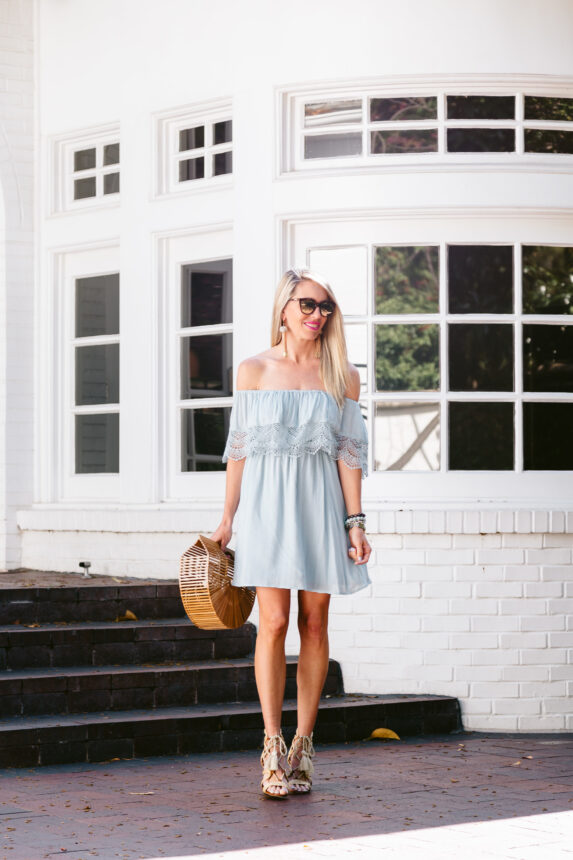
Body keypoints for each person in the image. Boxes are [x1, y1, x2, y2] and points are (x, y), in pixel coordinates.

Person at [210, 267, 372, 799]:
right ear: (284, 308)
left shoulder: (343, 376)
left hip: (321, 509)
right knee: (274, 622)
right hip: (265, 511)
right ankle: (271, 745)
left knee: (316, 622)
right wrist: (228, 518)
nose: (316, 315)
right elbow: (238, 449)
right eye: (307, 304)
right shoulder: (253, 370)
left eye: (325, 307)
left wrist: (356, 523)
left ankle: (304, 744)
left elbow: (350, 456)